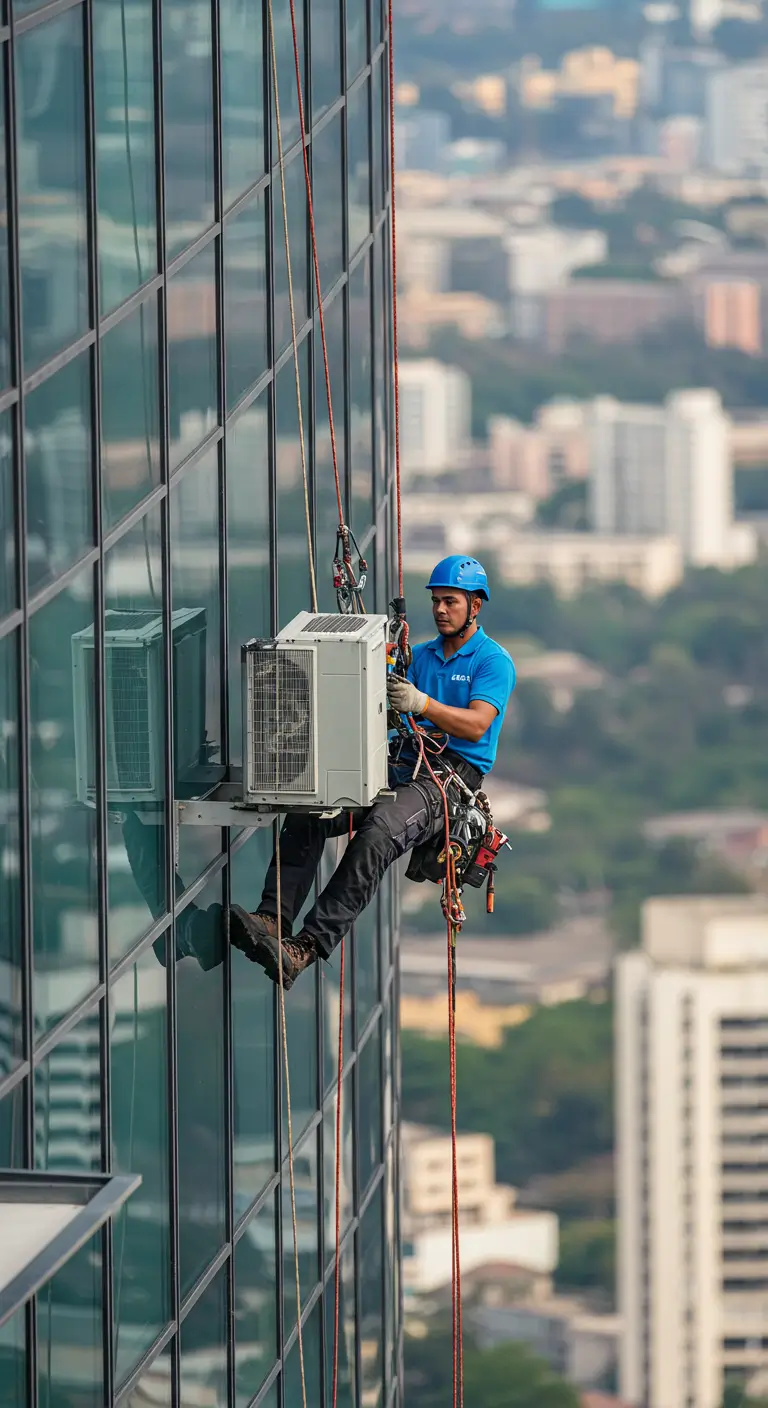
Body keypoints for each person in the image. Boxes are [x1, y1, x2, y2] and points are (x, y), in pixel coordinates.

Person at [229, 556, 516, 990]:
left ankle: (305, 948)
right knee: (315, 805)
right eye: (436, 601)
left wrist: (420, 704)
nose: (440, 609)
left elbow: (477, 723)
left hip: (446, 780)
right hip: (401, 760)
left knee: (380, 832)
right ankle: (273, 917)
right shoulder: (419, 657)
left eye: (450, 601)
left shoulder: (492, 661)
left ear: (475, 606)